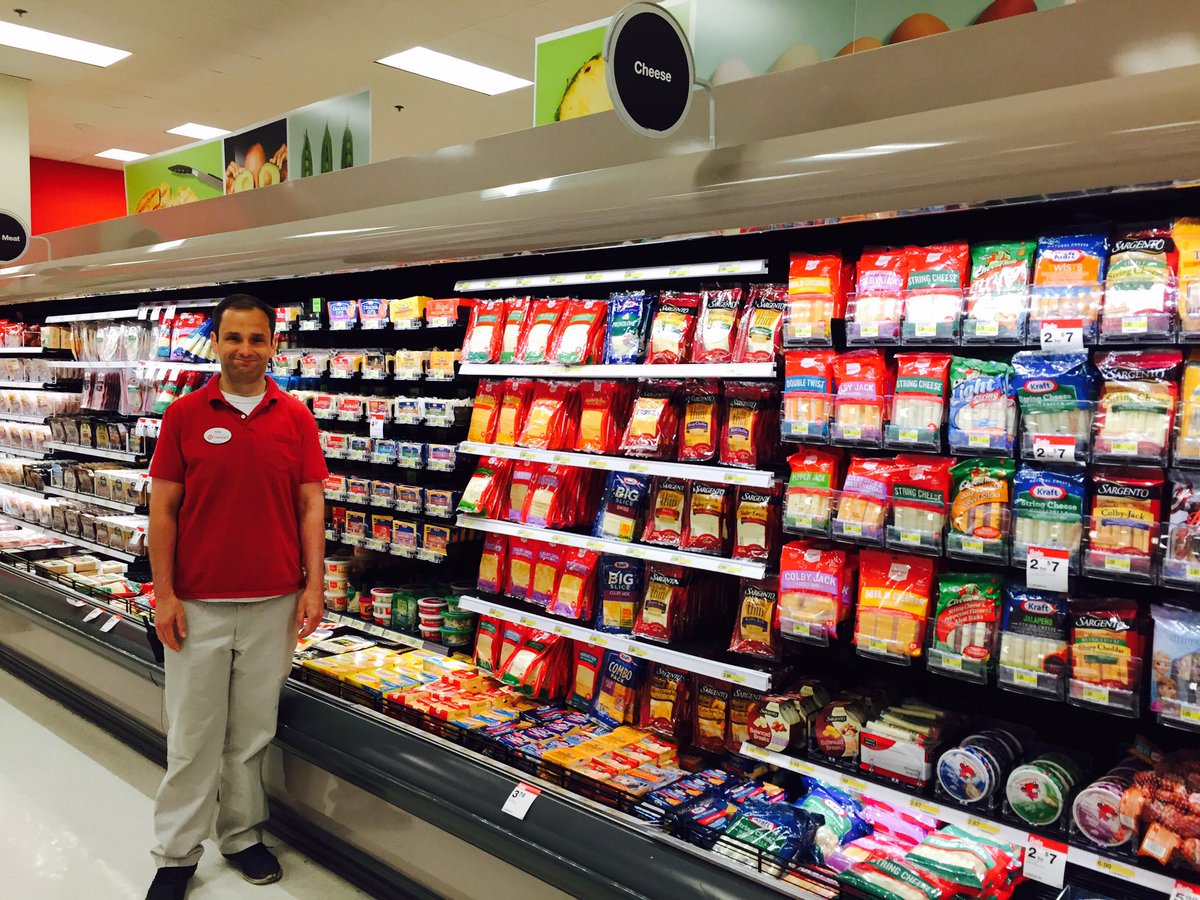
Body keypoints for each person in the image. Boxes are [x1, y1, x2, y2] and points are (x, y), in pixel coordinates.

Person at [144, 293, 327, 900]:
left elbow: (310, 505)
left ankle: (242, 836)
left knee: (250, 732)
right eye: (233, 338)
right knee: (192, 734)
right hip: (196, 602)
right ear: (215, 343)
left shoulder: (296, 417)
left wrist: (314, 584)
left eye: (257, 339)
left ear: (274, 345)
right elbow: (163, 509)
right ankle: (175, 855)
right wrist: (164, 593)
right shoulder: (184, 415)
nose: (245, 351)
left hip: (275, 600)